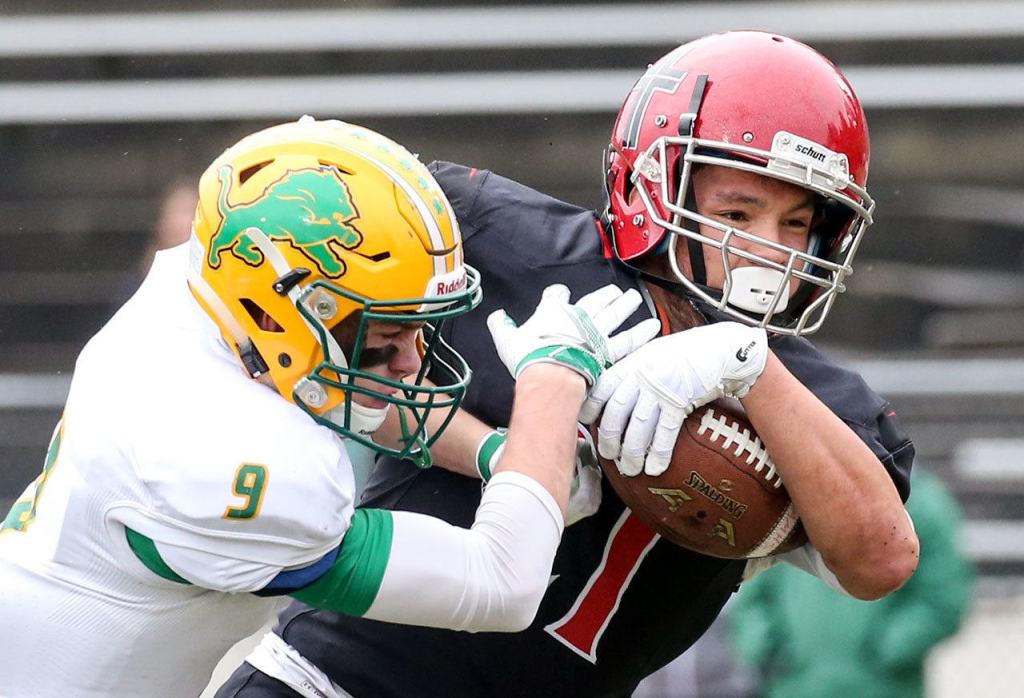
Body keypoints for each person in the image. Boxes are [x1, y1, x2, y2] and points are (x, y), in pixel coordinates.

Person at [218, 31, 920, 698]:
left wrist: (754, 370)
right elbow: (334, 353)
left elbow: (880, 561)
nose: (769, 249)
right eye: (738, 214)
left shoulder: (814, 395)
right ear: (652, 181)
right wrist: (504, 451)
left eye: (796, 224)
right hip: (332, 682)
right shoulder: (506, 239)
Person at [0, 117, 659, 697]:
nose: (410, 361)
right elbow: (503, 585)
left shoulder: (211, 294)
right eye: (387, 334)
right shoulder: (233, 467)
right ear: (288, 307)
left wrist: (499, 455)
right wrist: (554, 377)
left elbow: (353, 391)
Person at [730, 468, 974, 698]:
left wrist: (888, 652)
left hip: (880, 689)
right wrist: (767, 648)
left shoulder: (922, 503)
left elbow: (943, 597)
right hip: (796, 687)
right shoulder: (784, 495)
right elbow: (752, 592)